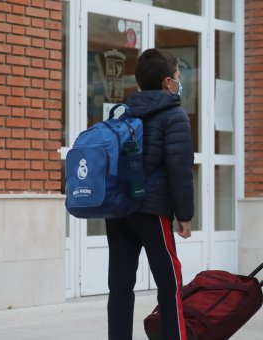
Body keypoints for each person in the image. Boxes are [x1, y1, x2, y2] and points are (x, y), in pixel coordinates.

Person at [105, 48, 194, 340]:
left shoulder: (123, 112)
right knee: (170, 284)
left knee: (119, 286)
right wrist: (185, 215)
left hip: (118, 211)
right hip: (152, 210)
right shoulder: (174, 115)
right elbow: (180, 169)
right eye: (179, 77)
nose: (180, 83)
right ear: (168, 82)